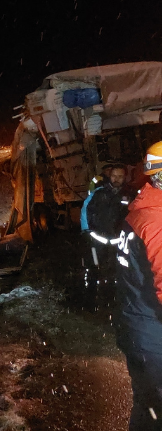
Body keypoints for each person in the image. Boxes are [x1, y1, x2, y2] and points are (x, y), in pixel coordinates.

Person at [115, 142, 162, 430]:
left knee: (147, 408)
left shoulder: (141, 210)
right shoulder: (156, 220)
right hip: (152, 335)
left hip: (137, 327)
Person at [82, 164, 135, 280]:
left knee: (117, 269)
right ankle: (92, 290)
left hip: (119, 242)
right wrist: (86, 230)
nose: (116, 179)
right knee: (94, 266)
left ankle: (112, 290)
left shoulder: (131, 195)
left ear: (125, 177)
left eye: (120, 176)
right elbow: (86, 210)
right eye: (114, 176)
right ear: (109, 176)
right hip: (97, 240)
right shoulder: (98, 193)